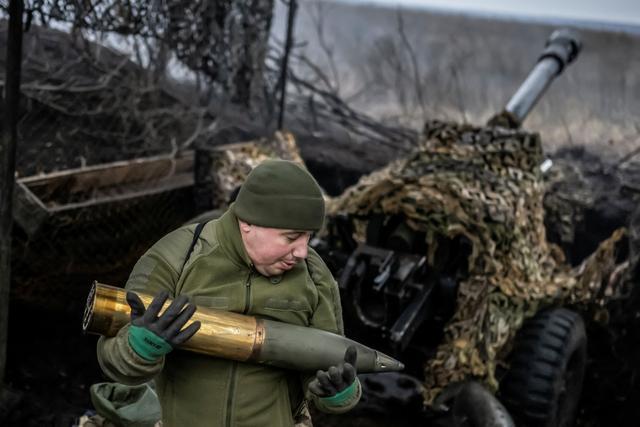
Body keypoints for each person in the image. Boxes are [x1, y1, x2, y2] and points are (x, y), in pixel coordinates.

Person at [96, 159, 361, 427]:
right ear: (248, 223)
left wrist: (338, 392)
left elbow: (324, 368)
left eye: (309, 238)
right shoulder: (176, 257)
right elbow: (114, 361)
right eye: (291, 238)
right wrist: (139, 348)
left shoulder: (315, 277)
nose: (303, 252)